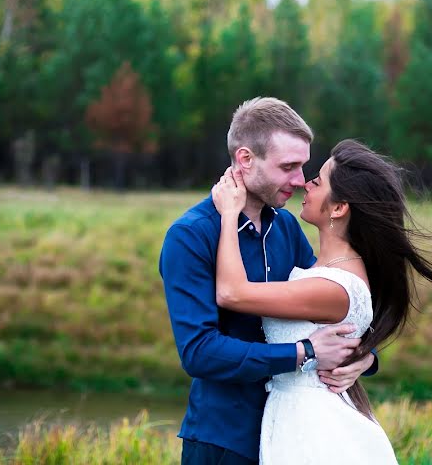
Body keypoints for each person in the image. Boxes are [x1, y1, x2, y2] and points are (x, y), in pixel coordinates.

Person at [211, 138, 432, 464]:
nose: (305, 182)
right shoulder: (326, 270)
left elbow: (231, 293)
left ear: (338, 208)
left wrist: (228, 214)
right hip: (298, 418)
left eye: (318, 180)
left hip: (313, 427)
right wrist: (365, 354)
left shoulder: (334, 287)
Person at [159, 98, 378, 465]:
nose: (299, 180)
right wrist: (301, 353)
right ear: (245, 159)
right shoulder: (190, 236)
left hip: (296, 437)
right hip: (225, 440)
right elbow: (198, 352)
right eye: (288, 167)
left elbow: (327, 306)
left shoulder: (287, 226)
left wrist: (365, 357)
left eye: (303, 167)